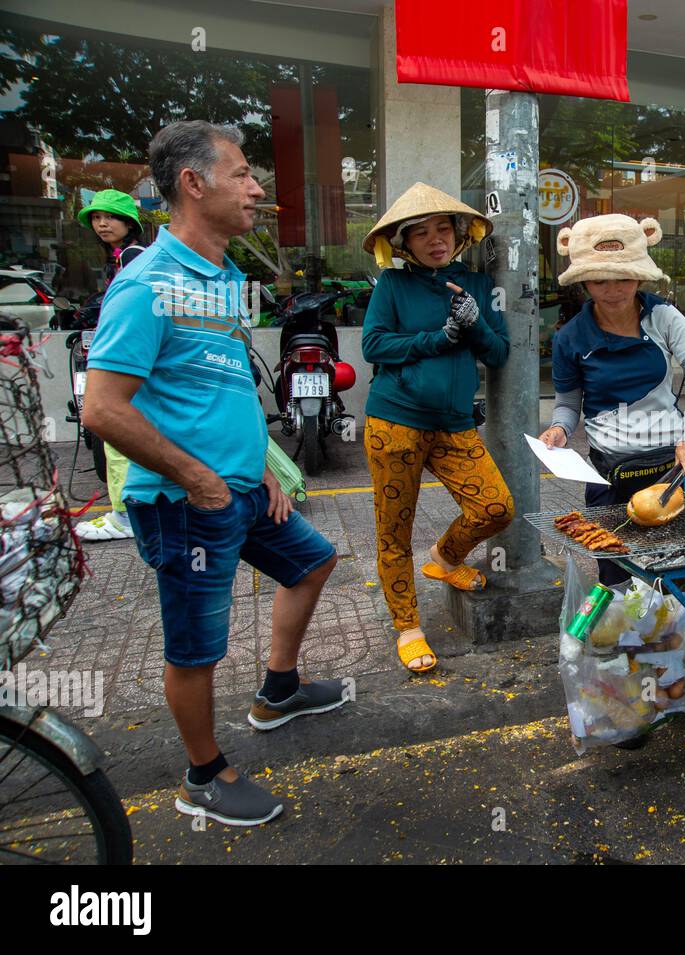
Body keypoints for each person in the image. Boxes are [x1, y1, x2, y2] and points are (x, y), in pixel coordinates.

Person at [82, 121, 345, 827]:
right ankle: (203, 775)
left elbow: (226, 386)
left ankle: (279, 691)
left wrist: (262, 465)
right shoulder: (147, 284)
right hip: (184, 501)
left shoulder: (224, 277)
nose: (257, 188)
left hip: (242, 487)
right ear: (193, 184)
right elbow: (102, 408)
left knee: (313, 562)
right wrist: (198, 479)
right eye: (242, 174)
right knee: (196, 648)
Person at [537, 213, 685, 727]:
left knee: (676, 579)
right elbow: (568, 404)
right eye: (600, 279)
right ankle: (629, 691)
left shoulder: (664, 318)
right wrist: (558, 430)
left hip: (670, 471)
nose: (613, 288)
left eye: (623, 276)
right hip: (610, 478)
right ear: (583, 281)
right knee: (620, 582)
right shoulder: (571, 337)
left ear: (639, 274)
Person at [360, 183, 513, 674]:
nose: (435, 240)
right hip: (394, 421)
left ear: (459, 233)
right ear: (404, 243)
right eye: (421, 233)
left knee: (495, 508)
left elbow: (499, 353)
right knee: (393, 531)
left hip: (454, 424)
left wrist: (475, 323)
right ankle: (407, 626)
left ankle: (444, 559)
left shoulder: (477, 285)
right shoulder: (392, 285)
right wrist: (439, 337)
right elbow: (373, 346)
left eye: (443, 228)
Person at [73, 189, 149, 543]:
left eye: (110, 217)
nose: (102, 223)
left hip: (129, 360)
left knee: (118, 437)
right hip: (129, 357)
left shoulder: (134, 256)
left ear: (129, 223)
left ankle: (126, 516)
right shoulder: (121, 257)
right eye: (96, 218)